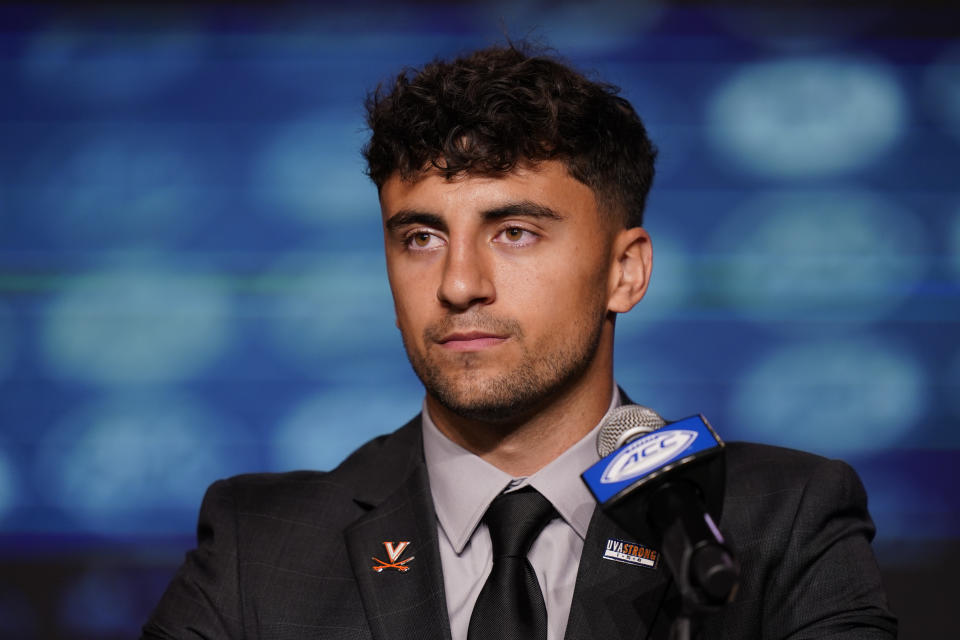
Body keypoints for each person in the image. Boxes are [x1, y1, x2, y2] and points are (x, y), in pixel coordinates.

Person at [142, 44, 897, 639]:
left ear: (624, 272)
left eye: (514, 232)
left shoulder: (774, 523)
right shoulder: (260, 546)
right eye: (421, 237)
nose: (460, 283)